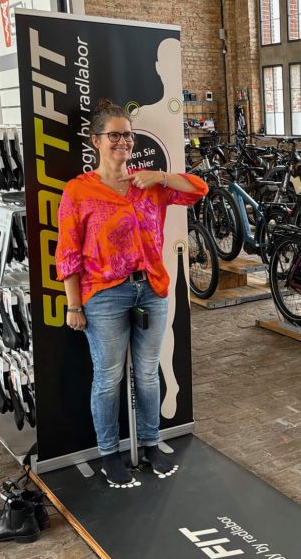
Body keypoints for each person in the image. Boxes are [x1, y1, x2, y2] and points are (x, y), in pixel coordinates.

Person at [55, 99, 208, 489]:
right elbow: (68, 252)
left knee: (147, 371)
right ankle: (110, 454)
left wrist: (160, 176)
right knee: (107, 377)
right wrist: (74, 305)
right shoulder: (79, 190)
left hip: (152, 288)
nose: (122, 141)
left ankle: (152, 443)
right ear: (96, 141)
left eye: (127, 134)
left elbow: (198, 189)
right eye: (114, 135)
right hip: (103, 294)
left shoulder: (147, 184)